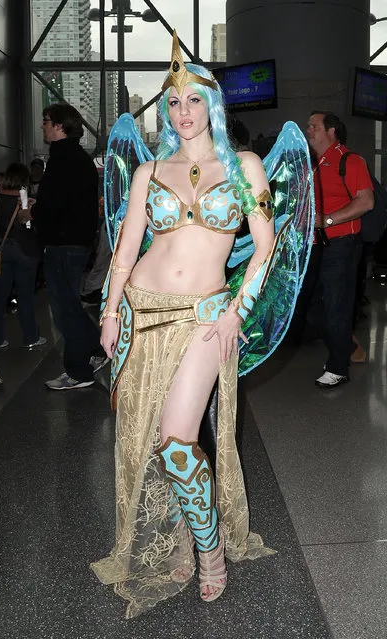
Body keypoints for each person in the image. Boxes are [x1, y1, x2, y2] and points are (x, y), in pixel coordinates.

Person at [91, 32, 276, 618]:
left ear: (213, 106)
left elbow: (267, 247)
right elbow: (124, 252)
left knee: (175, 439)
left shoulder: (244, 166)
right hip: (143, 310)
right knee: (152, 437)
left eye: (195, 100)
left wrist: (235, 312)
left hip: (205, 317)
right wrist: (110, 310)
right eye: (174, 102)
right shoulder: (148, 171)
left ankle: (210, 550)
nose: (183, 112)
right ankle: (185, 526)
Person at [22, 103, 108, 389]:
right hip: (74, 242)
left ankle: (80, 372)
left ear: (60, 125)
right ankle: (97, 349)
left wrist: (31, 213)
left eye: (46, 121)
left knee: (64, 311)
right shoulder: (76, 158)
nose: (42, 126)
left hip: (63, 243)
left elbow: (55, 205)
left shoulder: (63, 159)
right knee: (69, 307)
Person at [305, 111, 374, 388]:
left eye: (314, 126)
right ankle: (343, 343)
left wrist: (327, 220)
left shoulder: (350, 160)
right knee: (308, 304)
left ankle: (338, 366)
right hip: (315, 245)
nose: (308, 129)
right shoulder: (314, 164)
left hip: (342, 244)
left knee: (336, 305)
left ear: (331, 130)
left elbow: (366, 202)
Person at [0, 163, 46, 350]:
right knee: (25, 296)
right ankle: (31, 337)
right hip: (26, 252)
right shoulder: (28, 200)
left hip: (1, 251)